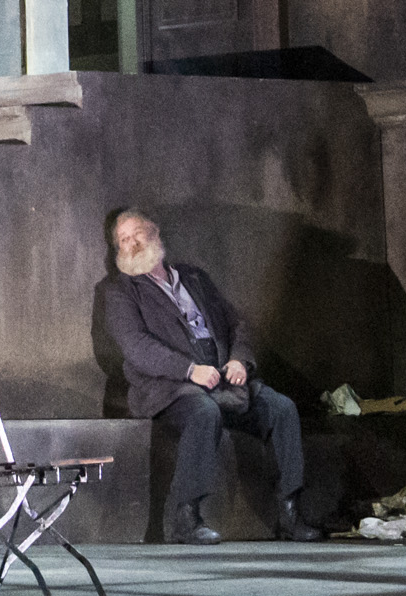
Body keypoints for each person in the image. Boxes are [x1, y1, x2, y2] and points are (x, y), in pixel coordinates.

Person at [98, 208, 310, 543]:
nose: (131, 243)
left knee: (282, 408)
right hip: (168, 387)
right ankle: (187, 518)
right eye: (122, 240)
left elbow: (237, 323)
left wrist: (240, 361)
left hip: (223, 378)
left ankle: (290, 514)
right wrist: (189, 370)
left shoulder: (194, 278)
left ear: (153, 231)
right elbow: (137, 347)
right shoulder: (119, 292)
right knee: (203, 411)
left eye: (135, 232)